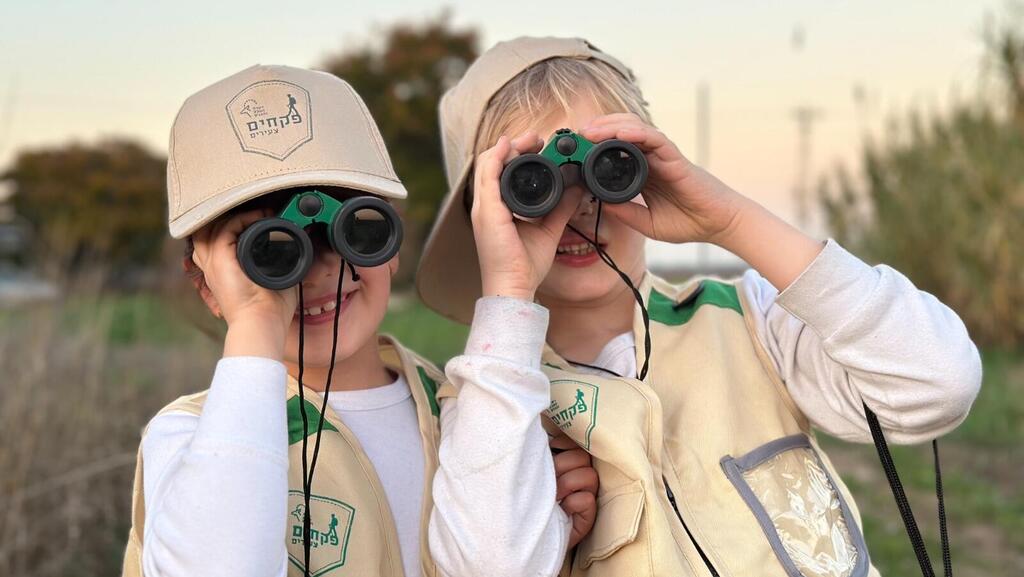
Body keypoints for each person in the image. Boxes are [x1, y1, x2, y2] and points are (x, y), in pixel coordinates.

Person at [416, 37, 983, 576]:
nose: (580, 207)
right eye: (532, 184)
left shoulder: (749, 320)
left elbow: (937, 381)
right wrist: (508, 293)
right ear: (482, 213)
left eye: (607, 167)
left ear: (648, 167)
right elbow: (488, 565)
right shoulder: (495, 403)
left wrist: (730, 221)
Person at [121, 64, 597, 577]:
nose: (320, 268)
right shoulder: (189, 439)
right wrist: (257, 316)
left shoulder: (469, 414)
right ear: (207, 287)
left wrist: (540, 533)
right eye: (269, 249)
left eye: (355, 229)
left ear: (392, 246)